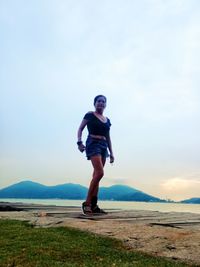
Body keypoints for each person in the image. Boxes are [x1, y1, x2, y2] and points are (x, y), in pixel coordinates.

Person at [77, 95, 114, 215]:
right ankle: (87, 203)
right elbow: (80, 129)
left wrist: (112, 153)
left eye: (103, 102)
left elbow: (108, 137)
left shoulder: (107, 120)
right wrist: (79, 142)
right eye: (99, 101)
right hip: (93, 143)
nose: (101, 103)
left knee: (96, 176)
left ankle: (94, 205)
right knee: (100, 173)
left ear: (106, 104)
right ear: (95, 103)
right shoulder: (90, 115)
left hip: (104, 146)